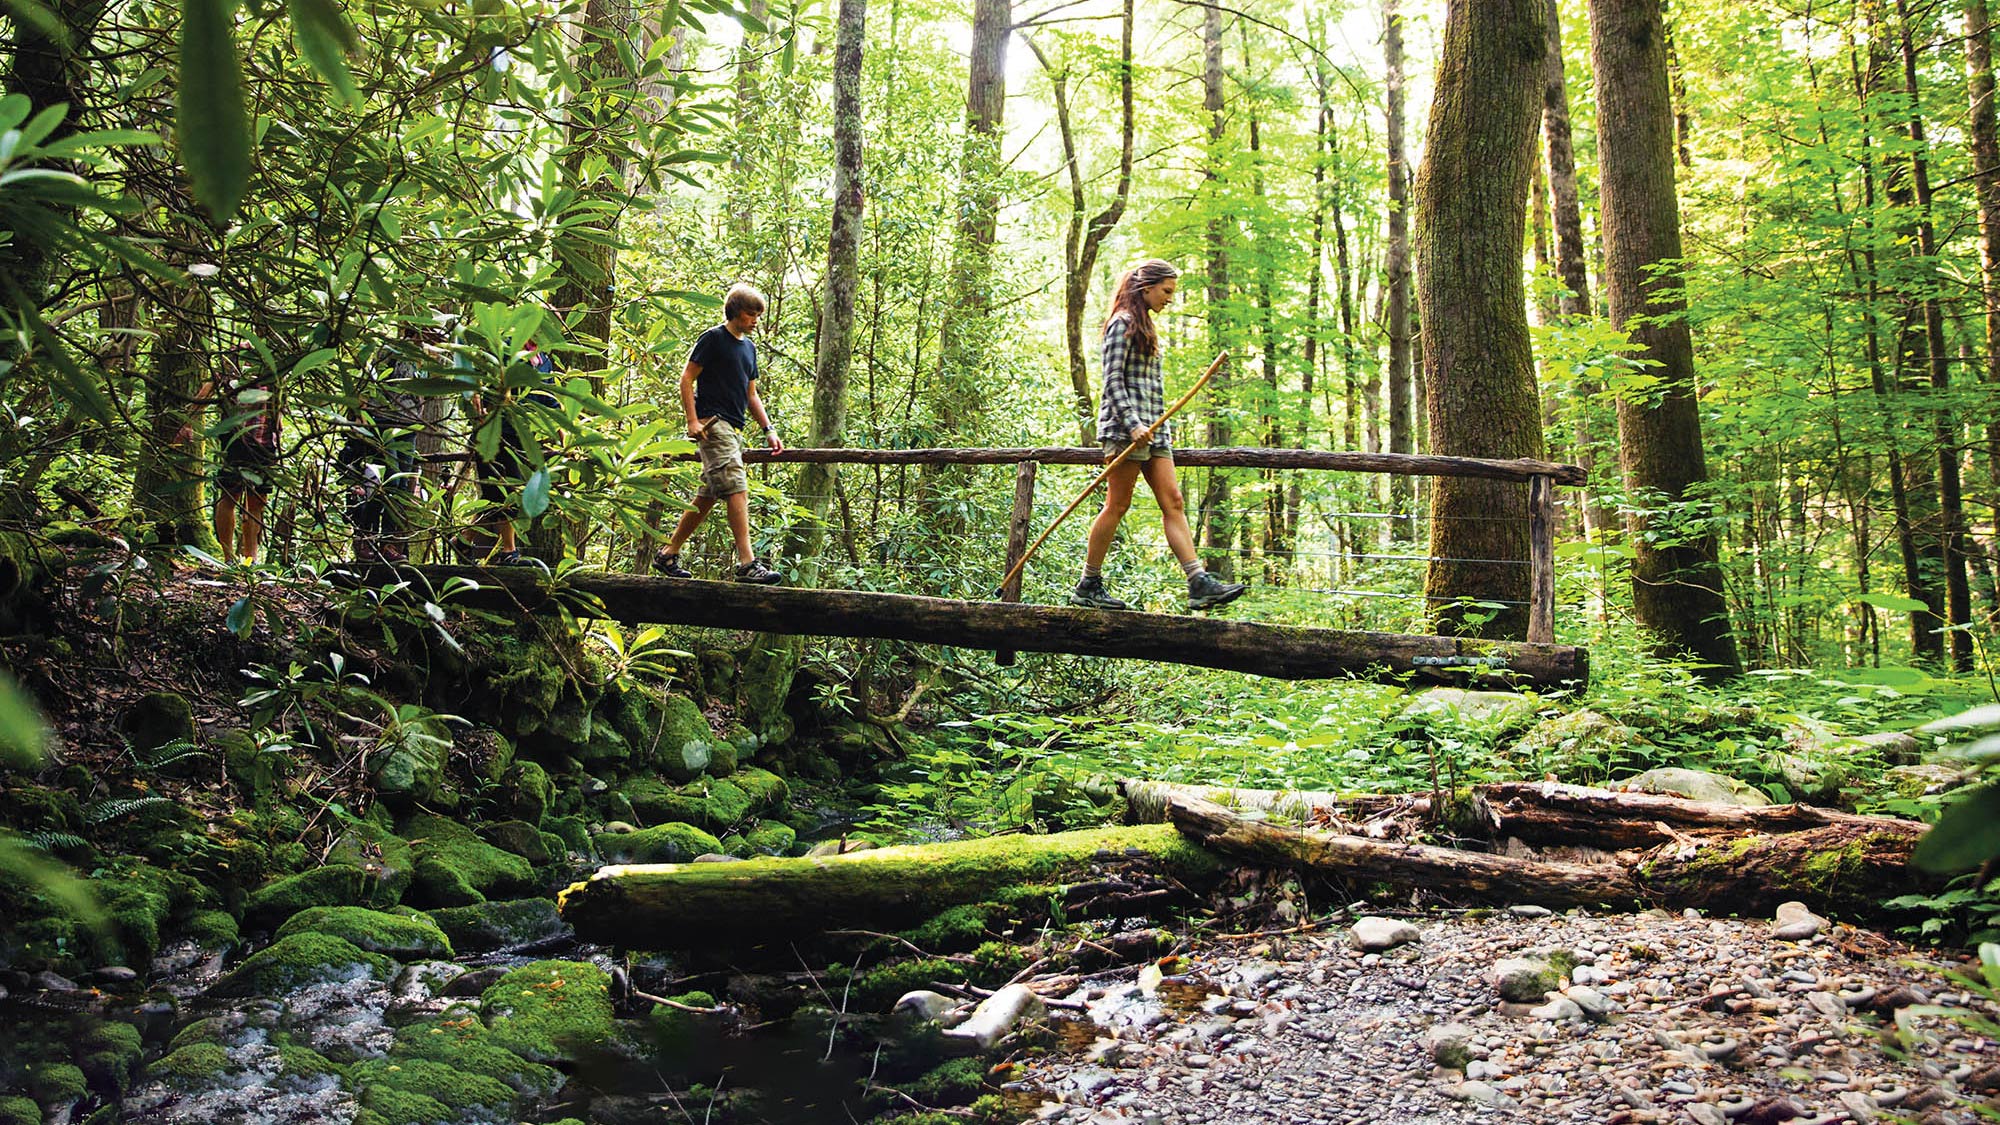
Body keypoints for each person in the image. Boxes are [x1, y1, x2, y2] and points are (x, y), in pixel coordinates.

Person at [1071, 259, 1247, 613]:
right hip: (1126, 430)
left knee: (1174, 501)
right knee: (1117, 504)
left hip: (1155, 431)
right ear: (1145, 287)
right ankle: (1088, 584)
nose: (1169, 299)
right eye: (1166, 291)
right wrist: (1133, 424)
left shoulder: (1146, 326)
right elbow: (1112, 382)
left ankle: (1197, 582)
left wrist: (1154, 428)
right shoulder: (1120, 324)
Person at [651, 284, 784, 584]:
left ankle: (667, 553)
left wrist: (769, 430)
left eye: (758, 316)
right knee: (736, 486)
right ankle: (747, 564)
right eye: (751, 314)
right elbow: (686, 379)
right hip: (714, 423)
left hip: (735, 428)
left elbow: (752, 395)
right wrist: (692, 421)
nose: (755, 321)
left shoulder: (749, 349)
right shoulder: (713, 339)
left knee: (708, 494)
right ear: (735, 312)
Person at [460, 340, 557, 567]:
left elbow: (549, 399)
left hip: (521, 435)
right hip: (493, 432)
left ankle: (464, 539)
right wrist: (477, 408)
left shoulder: (544, 361)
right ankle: (508, 551)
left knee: (496, 495)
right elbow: (477, 376)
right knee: (506, 490)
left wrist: (565, 438)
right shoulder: (503, 348)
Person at [180, 351, 281, 566]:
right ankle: (228, 557)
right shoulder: (229, 372)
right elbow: (205, 393)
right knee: (229, 496)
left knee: (257, 502)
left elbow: (276, 404)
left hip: (264, 443)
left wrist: (277, 431)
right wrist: (188, 423)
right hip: (235, 441)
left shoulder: (269, 373)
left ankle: (250, 559)